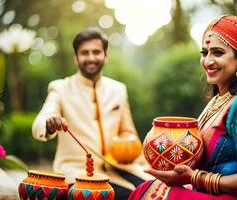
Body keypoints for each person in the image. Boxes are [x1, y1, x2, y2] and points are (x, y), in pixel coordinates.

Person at [129, 15, 237, 199]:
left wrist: (193, 177)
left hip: (231, 196)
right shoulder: (221, 99)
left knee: (152, 194)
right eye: (205, 53)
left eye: (217, 53)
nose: (208, 61)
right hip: (209, 191)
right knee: (149, 187)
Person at [32, 27, 150, 199]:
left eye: (96, 52)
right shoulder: (61, 88)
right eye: (84, 53)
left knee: (153, 190)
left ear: (105, 55)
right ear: (76, 58)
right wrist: (49, 125)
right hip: (77, 173)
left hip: (120, 168)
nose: (91, 58)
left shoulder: (118, 90)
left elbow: (128, 131)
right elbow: (40, 122)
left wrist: (128, 148)